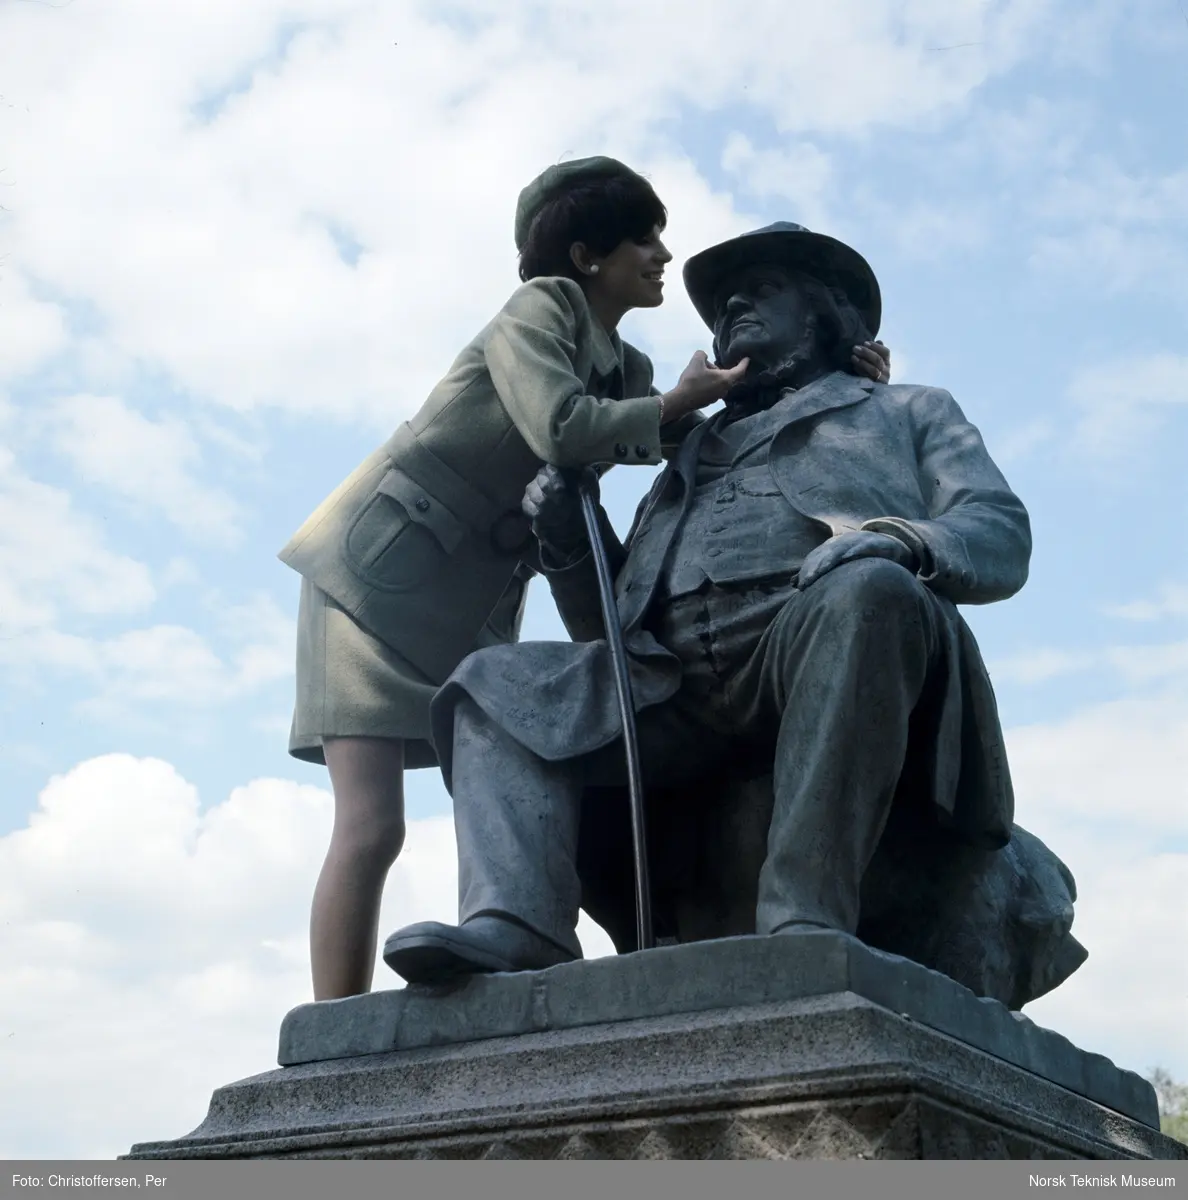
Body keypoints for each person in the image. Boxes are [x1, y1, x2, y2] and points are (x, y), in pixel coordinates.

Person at [279, 161, 897, 1000]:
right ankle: (336, 1029)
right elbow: (564, 430)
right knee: (370, 824)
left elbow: (722, 429)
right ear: (585, 255)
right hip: (378, 578)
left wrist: (846, 387)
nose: (661, 254)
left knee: (475, 726)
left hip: (471, 599)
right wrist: (682, 403)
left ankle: (511, 935)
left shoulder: (628, 369)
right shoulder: (539, 311)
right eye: (642, 238)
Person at [382, 221, 1032, 988]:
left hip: (811, 628)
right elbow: (610, 634)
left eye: (762, 291)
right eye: (725, 304)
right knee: (492, 681)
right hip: (671, 680)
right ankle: (518, 922)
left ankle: (803, 917)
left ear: (823, 312)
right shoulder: (688, 447)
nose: (733, 308)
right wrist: (565, 538)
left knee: (867, 590)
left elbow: (997, 528)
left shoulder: (908, 410)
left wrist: (898, 540)